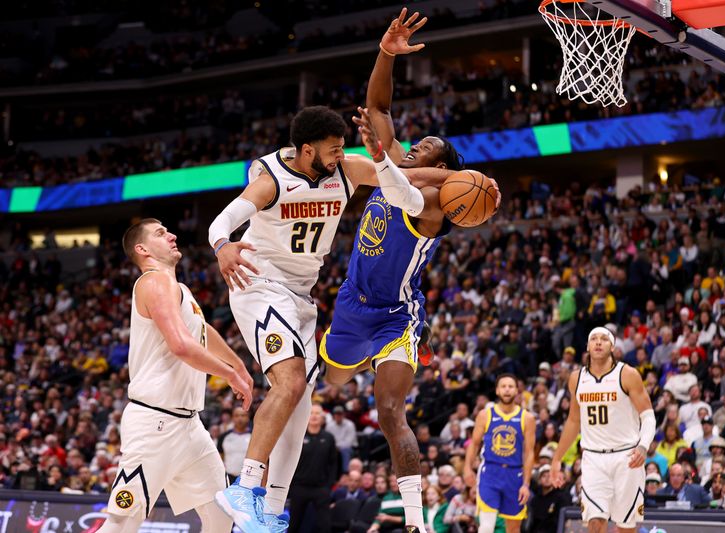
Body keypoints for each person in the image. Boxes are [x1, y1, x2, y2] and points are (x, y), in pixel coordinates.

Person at [209, 102, 456, 531]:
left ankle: (269, 512)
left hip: (302, 296)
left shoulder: (347, 169)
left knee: (301, 402)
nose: (342, 154)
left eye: (344, 147)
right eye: (333, 149)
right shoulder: (272, 180)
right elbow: (226, 217)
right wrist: (221, 245)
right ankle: (243, 488)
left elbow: (404, 181)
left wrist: (452, 179)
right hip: (259, 283)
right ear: (307, 151)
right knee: (288, 383)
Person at [321, 10, 499, 533]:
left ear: (446, 171)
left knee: (390, 411)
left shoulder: (435, 205)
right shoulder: (397, 165)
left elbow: (402, 181)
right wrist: (386, 53)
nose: (413, 147)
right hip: (353, 303)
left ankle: (418, 523)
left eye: (427, 150)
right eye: (414, 147)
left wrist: (387, 162)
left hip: (397, 316)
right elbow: (377, 106)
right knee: (330, 377)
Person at [98, 219, 253, 533]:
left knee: (222, 516)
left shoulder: (179, 289)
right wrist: (229, 376)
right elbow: (182, 345)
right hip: (154, 423)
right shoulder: (154, 282)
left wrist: (237, 364)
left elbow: (200, 330)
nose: (172, 235)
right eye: (160, 233)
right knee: (121, 524)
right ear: (142, 250)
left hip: (189, 427)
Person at [551, 327, 656, 533]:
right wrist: (557, 458)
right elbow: (573, 421)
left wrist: (643, 446)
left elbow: (648, 416)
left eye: (604, 339)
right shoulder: (577, 378)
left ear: (613, 346)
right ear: (588, 346)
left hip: (626, 457)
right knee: (595, 522)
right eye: (594, 339)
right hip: (593, 458)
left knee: (625, 526)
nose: (598, 342)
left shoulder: (627, 374)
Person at [463, 374, 536, 533]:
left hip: (514, 474)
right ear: (497, 391)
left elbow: (529, 453)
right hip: (490, 472)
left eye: (511, 386)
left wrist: (526, 483)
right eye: (503, 386)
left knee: (513, 529)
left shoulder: (527, 418)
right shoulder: (485, 415)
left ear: (517, 390)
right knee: (486, 527)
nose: (507, 390)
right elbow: (474, 444)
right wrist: (467, 468)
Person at [287, 404, 338, 533]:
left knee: (325, 525)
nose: (314, 416)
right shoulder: (299, 436)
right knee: (293, 524)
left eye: (317, 413)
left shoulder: (329, 438)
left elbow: (334, 464)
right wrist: (292, 484)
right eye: (311, 413)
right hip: (299, 487)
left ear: (323, 418)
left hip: (321, 488)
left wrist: (329, 485)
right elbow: (290, 461)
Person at [218, 407, 252, 484]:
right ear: (232, 418)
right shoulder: (224, 436)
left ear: (248, 418)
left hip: (248, 479)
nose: (240, 418)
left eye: (243, 415)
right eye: (237, 416)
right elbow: (219, 458)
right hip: (228, 478)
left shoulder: (253, 436)